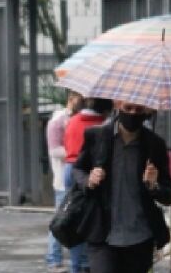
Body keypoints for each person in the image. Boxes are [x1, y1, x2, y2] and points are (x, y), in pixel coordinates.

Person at [72, 101, 171, 273]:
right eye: (128, 108)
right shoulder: (97, 136)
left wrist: (153, 184)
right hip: (102, 234)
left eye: (138, 109)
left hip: (140, 237)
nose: (133, 113)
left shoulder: (154, 145)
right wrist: (89, 179)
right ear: (118, 106)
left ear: (146, 111)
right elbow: (78, 169)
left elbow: (168, 196)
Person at [62, 97, 114, 273]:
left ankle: (77, 265)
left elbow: (67, 145)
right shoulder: (103, 127)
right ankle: (85, 264)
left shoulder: (73, 121)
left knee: (71, 217)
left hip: (70, 168)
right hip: (91, 173)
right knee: (91, 218)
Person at [45, 91, 83, 272]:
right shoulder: (58, 121)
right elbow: (54, 150)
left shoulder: (78, 119)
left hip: (74, 177)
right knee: (61, 221)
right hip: (62, 180)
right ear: (71, 98)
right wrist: (74, 152)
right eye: (79, 98)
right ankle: (53, 258)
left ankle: (68, 259)